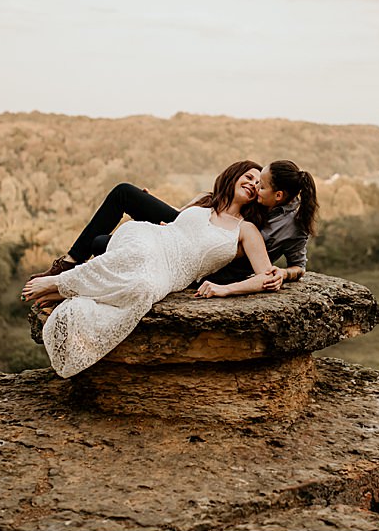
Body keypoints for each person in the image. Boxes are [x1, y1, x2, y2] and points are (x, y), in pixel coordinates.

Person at [21, 160, 278, 378]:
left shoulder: (246, 230)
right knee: (137, 253)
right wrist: (150, 199)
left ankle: (69, 290)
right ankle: (60, 282)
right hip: (153, 239)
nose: (253, 184)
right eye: (248, 177)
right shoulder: (205, 201)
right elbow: (176, 219)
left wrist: (225, 290)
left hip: (175, 271)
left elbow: (266, 277)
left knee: (143, 288)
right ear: (234, 176)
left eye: (258, 184)